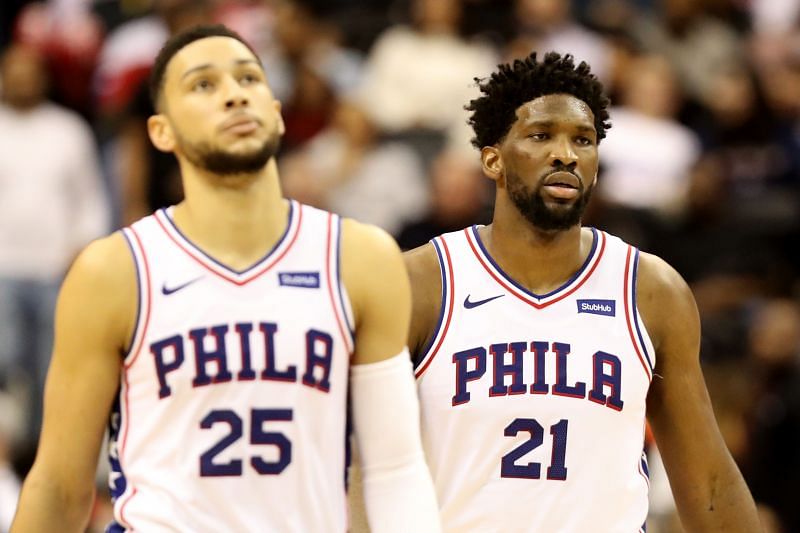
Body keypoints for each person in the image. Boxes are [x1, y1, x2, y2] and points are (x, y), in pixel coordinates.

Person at [12, 24, 440, 533]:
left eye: (248, 79)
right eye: (203, 85)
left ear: (277, 115)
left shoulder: (360, 258)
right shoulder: (114, 270)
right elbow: (60, 486)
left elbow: (392, 468)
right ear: (161, 132)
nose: (234, 95)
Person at [404, 52, 761, 531]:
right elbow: (363, 463)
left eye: (583, 140)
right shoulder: (425, 281)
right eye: (541, 135)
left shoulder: (650, 291)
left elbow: (709, 482)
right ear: (492, 159)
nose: (566, 154)